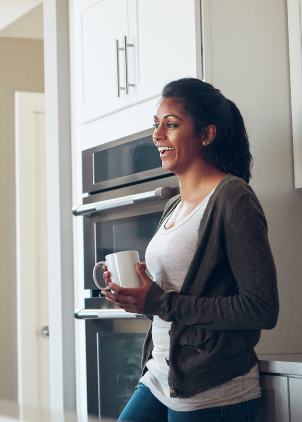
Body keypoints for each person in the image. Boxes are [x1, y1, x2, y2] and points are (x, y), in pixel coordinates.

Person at [102, 78, 279, 421]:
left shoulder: (233, 198)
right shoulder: (174, 206)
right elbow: (173, 305)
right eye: (156, 126)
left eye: (171, 125)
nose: (157, 136)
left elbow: (261, 308)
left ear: (206, 135)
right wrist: (138, 298)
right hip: (160, 376)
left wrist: (156, 301)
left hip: (213, 390)